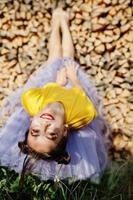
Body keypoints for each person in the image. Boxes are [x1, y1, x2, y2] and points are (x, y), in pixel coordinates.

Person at [0, 8, 110, 183]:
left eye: (35, 131)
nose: (45, 124)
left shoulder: (33, 104)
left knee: (53, 54)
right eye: (51, 133)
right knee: (67, 56)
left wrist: (56, 84)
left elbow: (36, 88)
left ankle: (55, 24)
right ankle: (64, 25)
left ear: (30, 121)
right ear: (65, 131)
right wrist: (73, 79)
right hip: (71, 83)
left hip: (53, 81)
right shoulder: (79, 115)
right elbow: (82, 96)